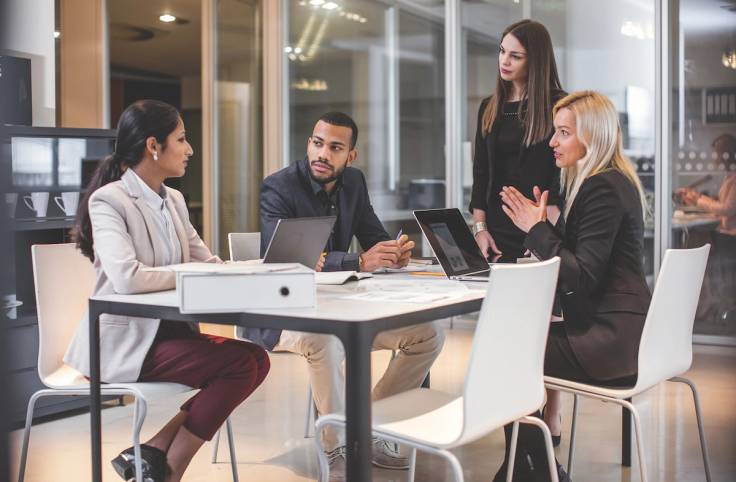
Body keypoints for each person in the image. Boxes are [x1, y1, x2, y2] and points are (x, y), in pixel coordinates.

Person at [64, 100, 270, 482]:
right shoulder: (109, 200)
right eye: (182, 138)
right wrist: (188, 272)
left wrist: (256, 268)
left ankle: (154, 453)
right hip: (123, 343)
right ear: (153, 145)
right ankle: (168, 471)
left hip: (168, 333)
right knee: (240, 364)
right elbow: (127, 277)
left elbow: (206, 263)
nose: (190, 149)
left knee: (257, 358)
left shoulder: (172, 199)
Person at [251, 111, 445, 481]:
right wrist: (359, 259)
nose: (323, 153)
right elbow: (291, 257)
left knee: (429, 333)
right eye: (317, 143)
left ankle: (368, 428)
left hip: (342, 309)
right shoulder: (278, 187)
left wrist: (393, 250)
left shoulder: (353, 183)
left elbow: (373, 235)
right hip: (282, 314)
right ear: (309, 143)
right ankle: (337, 444)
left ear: (350, 156)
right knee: (324, 340)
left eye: (335, 147)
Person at [496, 91, 651, 481]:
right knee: (515, 344)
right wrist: (542, 231)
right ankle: (522, 468)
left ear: (592, 139)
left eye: (563, 133)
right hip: (622, 332)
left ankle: (536, 470)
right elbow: (574, 262)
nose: (552, 141)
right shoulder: (608, 183)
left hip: (611, 341)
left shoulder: (601, 188)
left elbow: (580, 274)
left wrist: (537, 228)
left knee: (507, 354)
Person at [468, 18, 566, 443]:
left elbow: (564, 175)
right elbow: (481, 174)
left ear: (536, 59)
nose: (504, 61)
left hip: (541, 227)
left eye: (515, 55)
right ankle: (521, 417)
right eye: (501, 51)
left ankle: (552, 410)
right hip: (499, 233)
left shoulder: (560, 106)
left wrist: (544, 231)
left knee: (543, 327)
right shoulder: (490, 107)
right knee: (508, 332)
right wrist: (480, 227)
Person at [676, 133, 736, 321]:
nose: (716, 158)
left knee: (696, 240)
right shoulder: (730, 176)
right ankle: (704, 304)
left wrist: (698, 200)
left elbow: (727, 209)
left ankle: (705, 305)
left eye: (718, 153)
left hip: (729, 236)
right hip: (725, 233)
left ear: (728, 153)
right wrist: (697, 198)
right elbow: (722, 204)